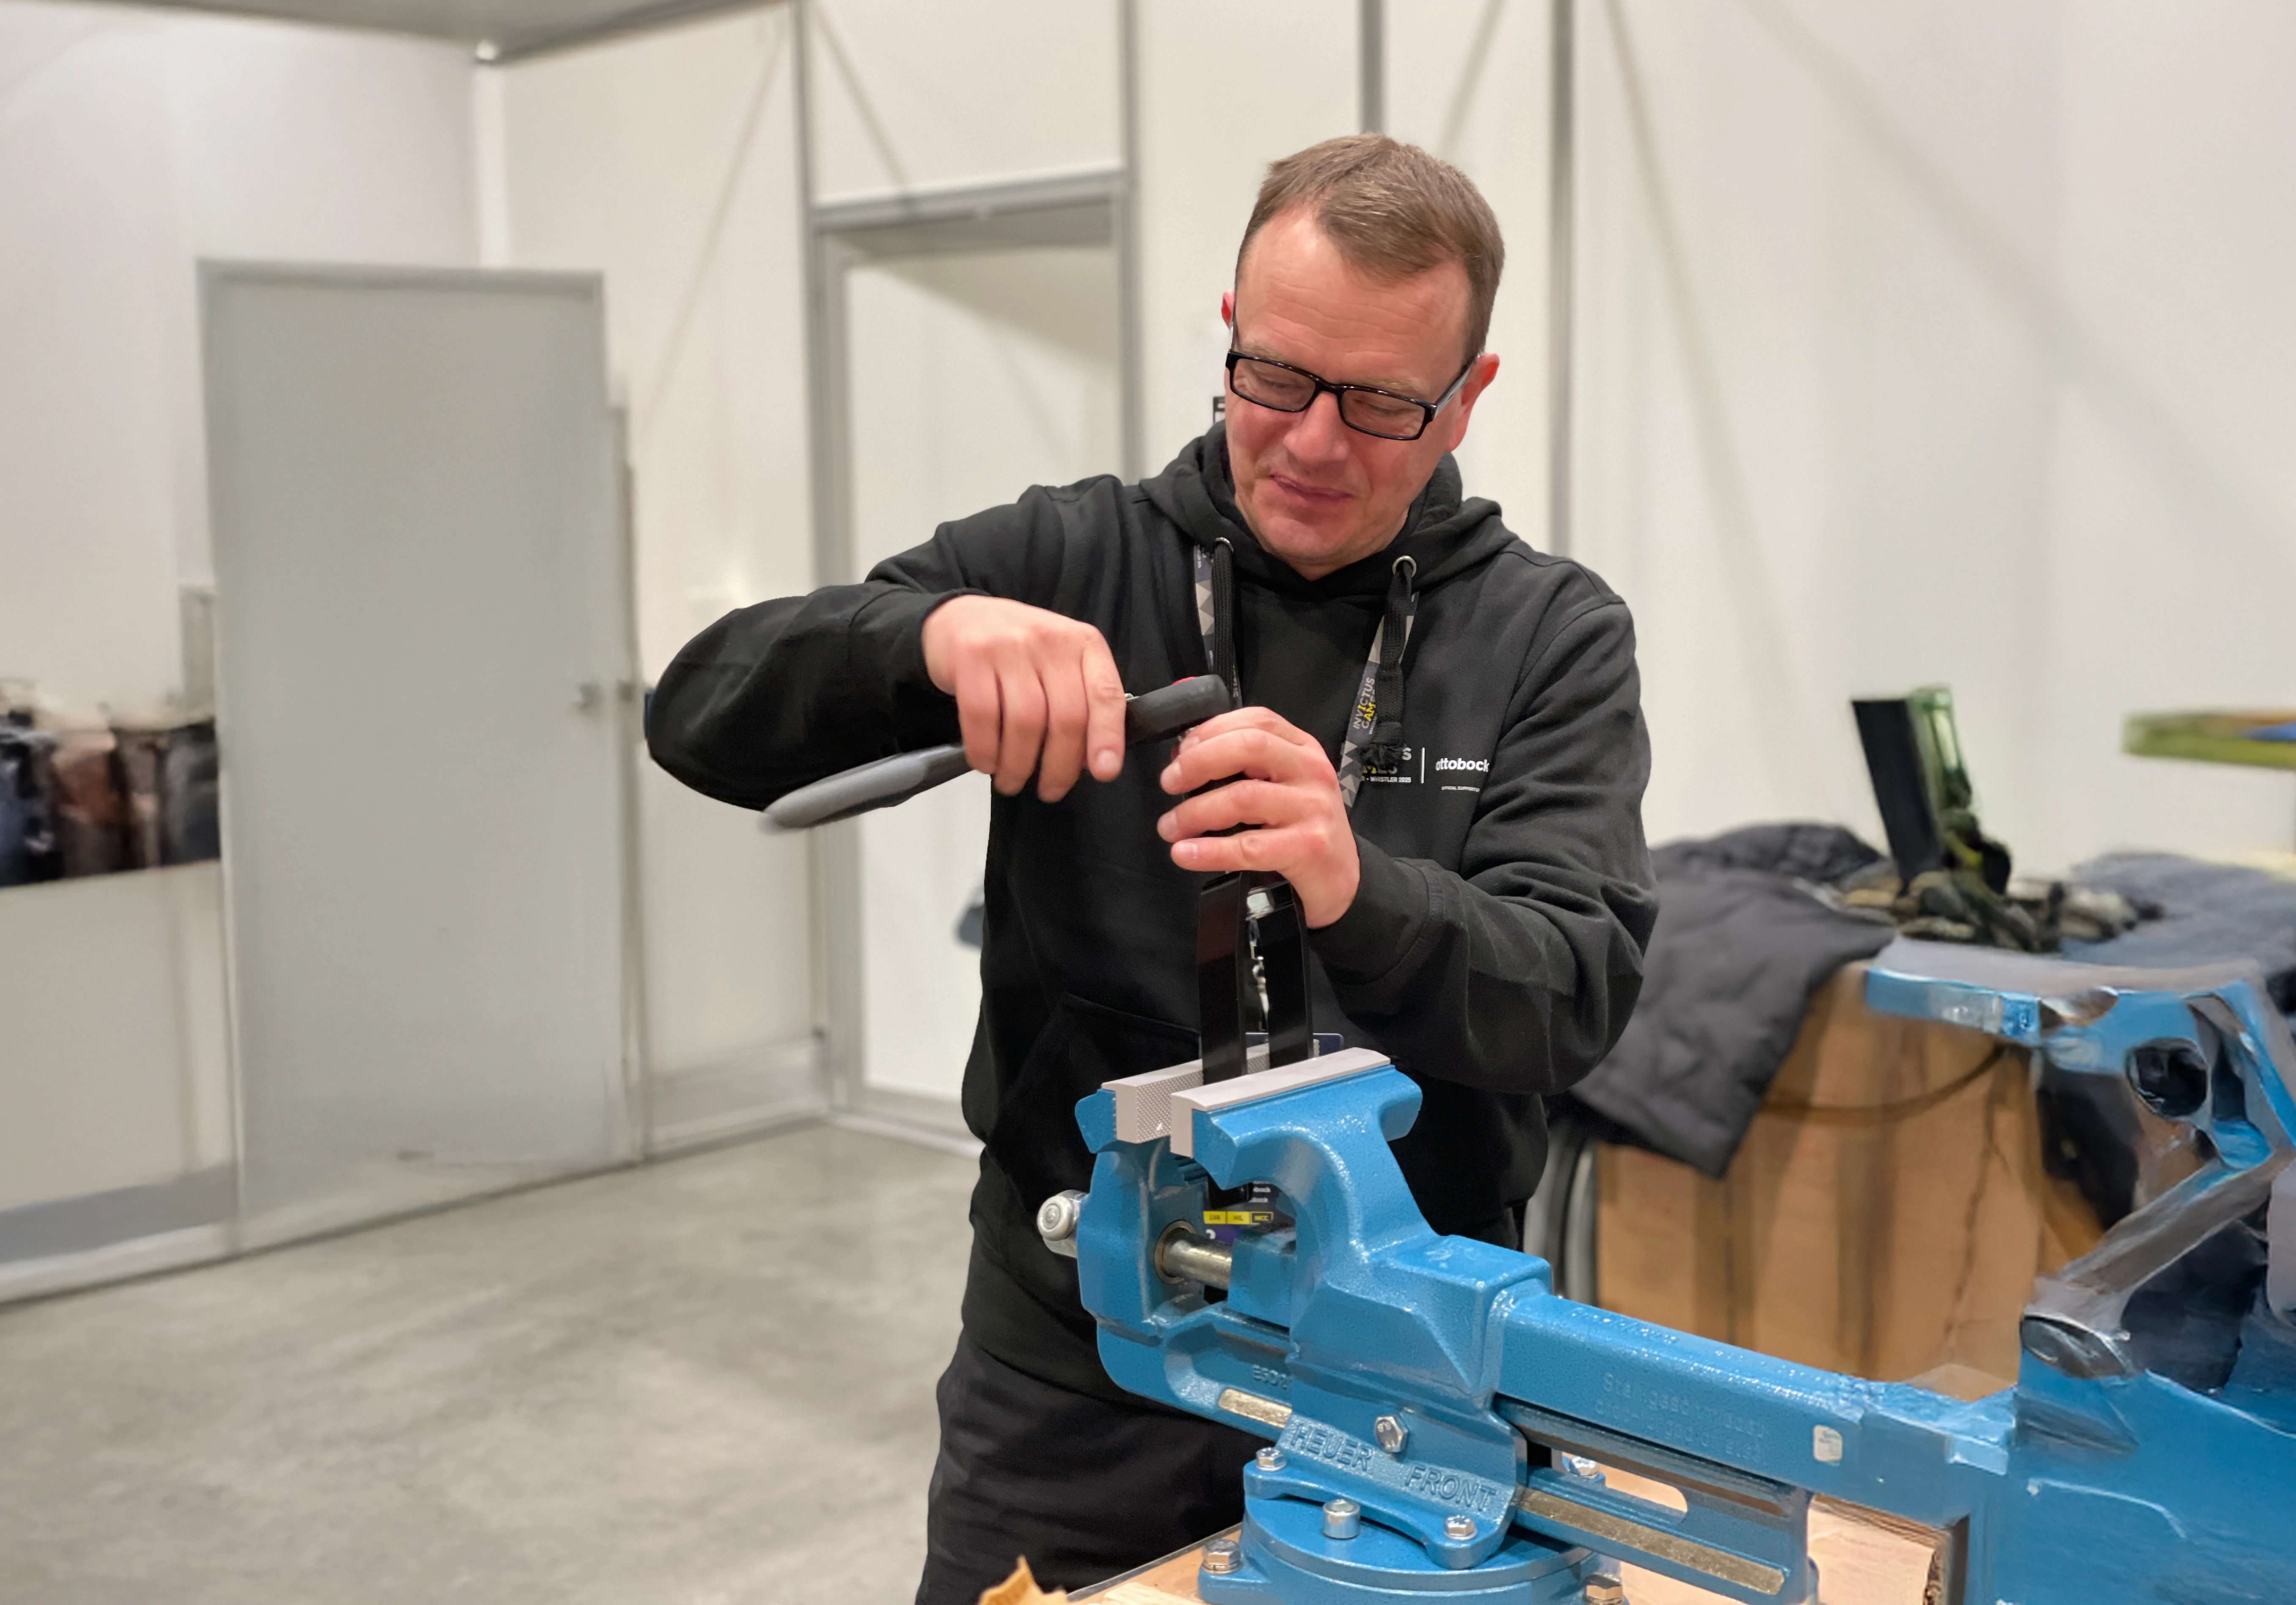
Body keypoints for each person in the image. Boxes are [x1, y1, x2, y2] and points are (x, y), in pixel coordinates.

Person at [644, 134, 1655, 1603]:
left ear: (1467, 402)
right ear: (1230, 330)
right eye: (1277, 378)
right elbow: (702, 713)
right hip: (1074, 1351)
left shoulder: (1550, 637)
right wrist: (919, 638)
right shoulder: (1067, 558)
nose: (1312, 442)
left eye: (1380, 404)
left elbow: (1569, 996)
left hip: (1407, 1373)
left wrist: (1358, 888)